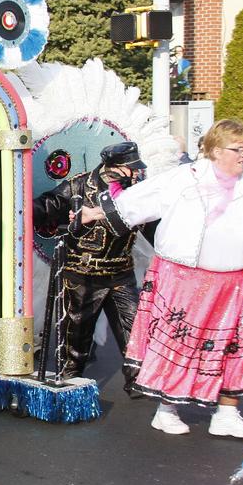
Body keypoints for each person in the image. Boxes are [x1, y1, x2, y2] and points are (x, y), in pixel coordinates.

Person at [82, 119, 243, 438]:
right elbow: (141, 201)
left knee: (241, 344)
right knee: (180, 345)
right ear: (217, 150)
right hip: (185, 279)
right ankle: (166, 410)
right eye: (239, 150)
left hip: (236, 283)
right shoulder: (185, 178)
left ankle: (227, 413)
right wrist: (94, 212)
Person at [32, 142, 150, 383]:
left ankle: (140, 382)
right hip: (83, 275)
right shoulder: (78, 186)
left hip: (121, 272)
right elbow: (39, 209)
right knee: (76, 341)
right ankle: (70, 387)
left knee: (135, 333)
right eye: (131, 169)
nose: (136, 173)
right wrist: (73, 217)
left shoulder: (137, 190)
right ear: (114, 168)